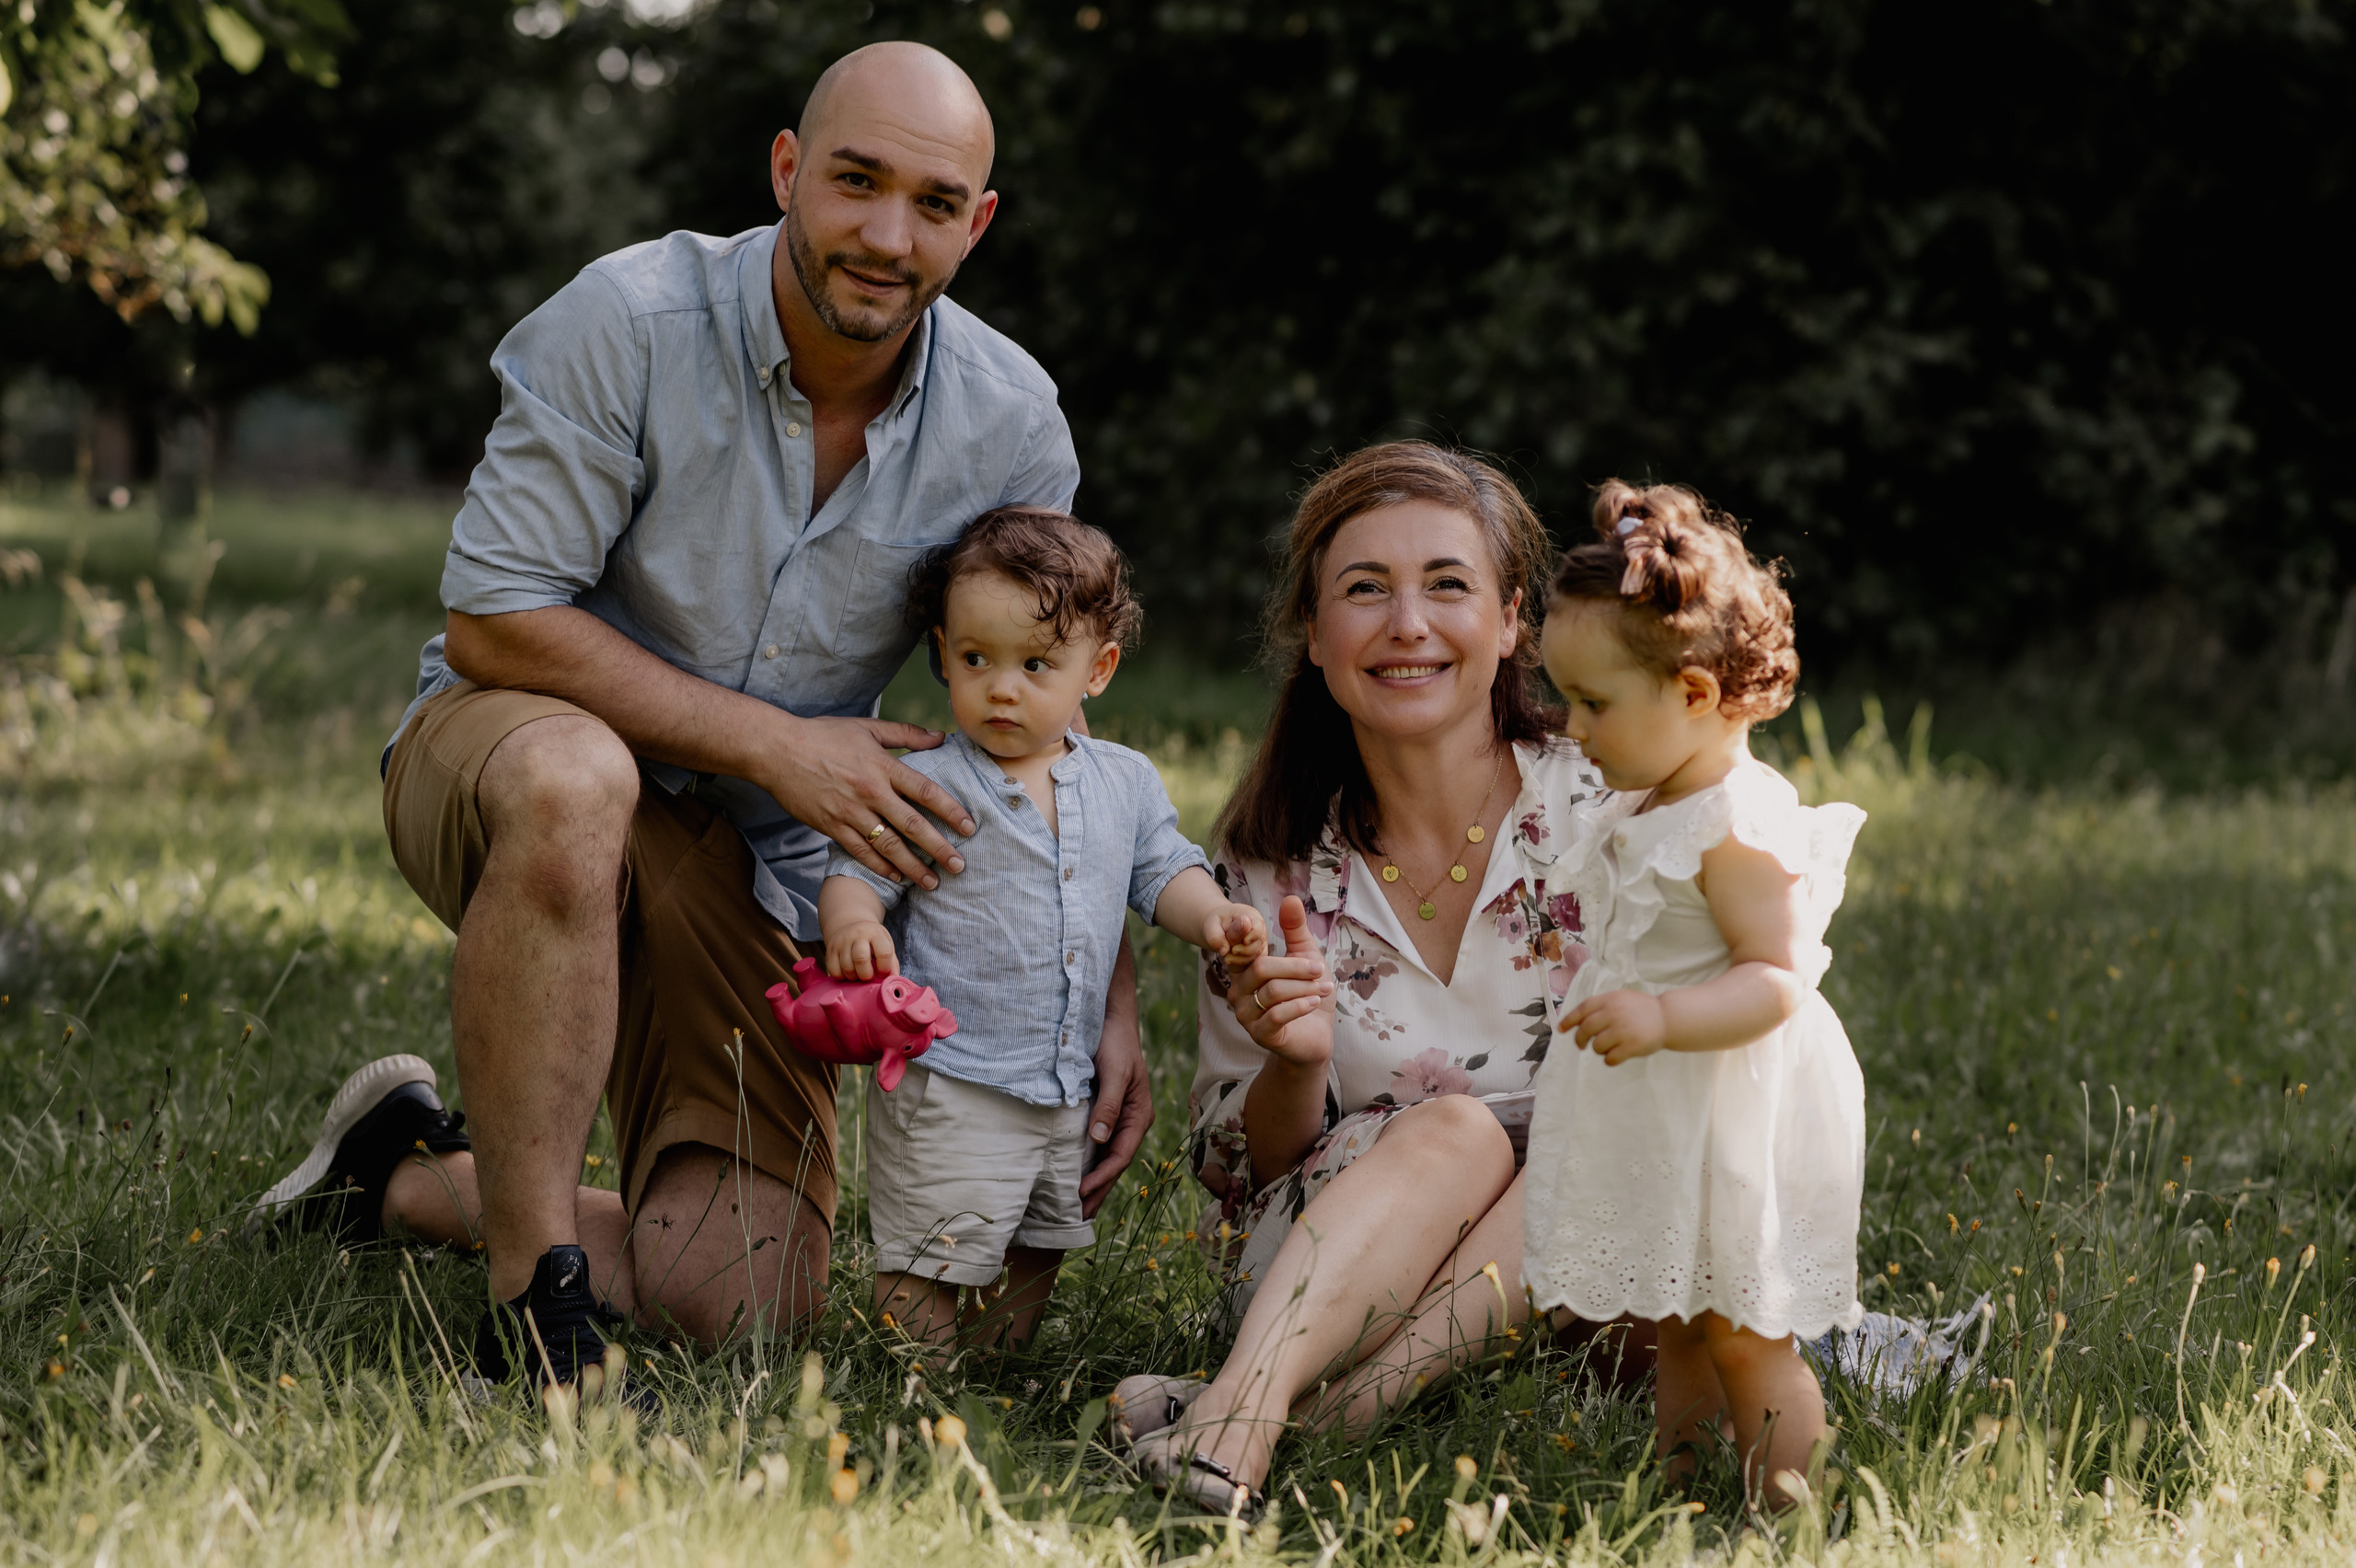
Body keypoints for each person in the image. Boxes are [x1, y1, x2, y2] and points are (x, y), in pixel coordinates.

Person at [248, 41, 1157, 1397]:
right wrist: (778, 744)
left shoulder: (1013, 424)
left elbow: (1038, 731)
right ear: (788, 170)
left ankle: (401, 1176)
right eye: (854, 182)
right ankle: (533, 1313)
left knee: (735, 1302)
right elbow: (499, 614)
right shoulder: (627, 321)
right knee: (578, 777)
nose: (884, 235)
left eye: (931, 202)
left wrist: (1115, 998)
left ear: (978, 224)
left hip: (754, 854)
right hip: (511, 759)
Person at [1111, 441, 1622, 1517]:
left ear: (1513, 620)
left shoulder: (1608, 810)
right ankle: (1260, 1394)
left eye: (1447, 584)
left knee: (1611, 1136)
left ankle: (1263, 1422)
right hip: (1329, 1272)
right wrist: (1295, 1065)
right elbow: (1239, 1169)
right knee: (1458, 1130)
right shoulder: (1266, 864)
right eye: (1363, 590)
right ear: (1312, 631)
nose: (1407, 625)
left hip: (1595, 1244)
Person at [818, 506, 1267, 1345]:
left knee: (1035, 1241)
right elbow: (859, 869)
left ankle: (999, 1370)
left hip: (1064, 1080)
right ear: (944, 652)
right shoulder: (929, 782)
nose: (1002, 686)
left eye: (1035, 664)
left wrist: (1214, 916)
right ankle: (914, 1374)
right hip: (953, 1075)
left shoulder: (1124, 781)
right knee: (933, 1247)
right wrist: (852, 925)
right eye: (976, 658)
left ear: (1096, 671)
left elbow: (1162, 869)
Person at [1525, 480, 1866, 1505]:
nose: (1572, 728)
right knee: (1673, 1317)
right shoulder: (1652, 791)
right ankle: (1678, 1487)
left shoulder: (1732, 825)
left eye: (1593, 703)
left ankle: (1782, 1508)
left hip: (1729, 1107)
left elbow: (1780, 977)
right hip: (1663, 1108)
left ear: (1695, 695)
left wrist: (1664, 1015)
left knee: (1744, 1332)